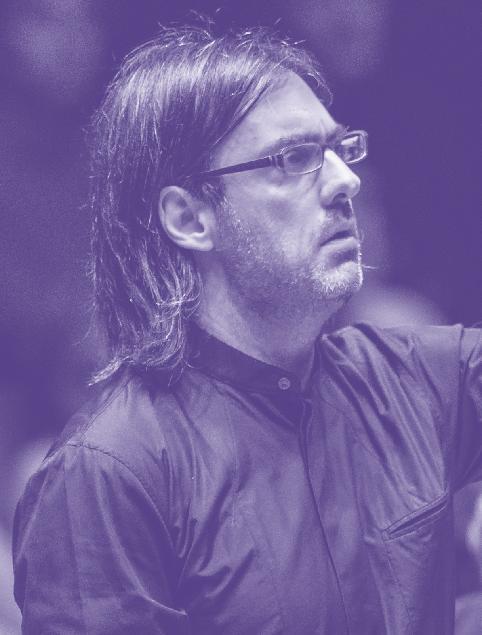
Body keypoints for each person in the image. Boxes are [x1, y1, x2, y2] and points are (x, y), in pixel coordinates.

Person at [12, 24, 481, 635]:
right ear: (190, 218)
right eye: (295, 158)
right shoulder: (110, 474)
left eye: (339, 149)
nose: (346, 180)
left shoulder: (418, 378)